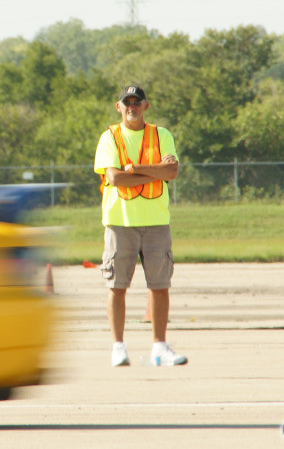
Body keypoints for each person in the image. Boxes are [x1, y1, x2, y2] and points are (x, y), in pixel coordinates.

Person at [94, 84, 186, 367]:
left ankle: (159, 347)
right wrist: (153, 171)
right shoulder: (110, 137)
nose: (132, 107)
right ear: (118, 107)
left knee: (160, 286)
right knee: (117, 286)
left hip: (157, 222)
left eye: (137, 102)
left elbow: (172, 171)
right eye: (127, 102)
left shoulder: (162, 135)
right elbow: (115, 178)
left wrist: (133, 168)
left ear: (146, 106)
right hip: (120, 222)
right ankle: (118, 347)